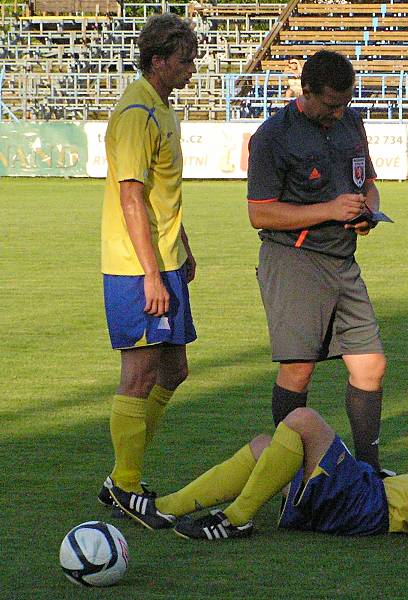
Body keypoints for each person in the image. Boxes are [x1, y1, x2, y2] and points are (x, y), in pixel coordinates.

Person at [107, 407, 408, 541]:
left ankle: (234, 519)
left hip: (371, 507)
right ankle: (166, 508)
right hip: (369, 493)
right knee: (266, 448)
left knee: (303, 421)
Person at [245, 50, 388, 473]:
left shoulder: (350, 122)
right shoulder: (272, 136)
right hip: (294, 259)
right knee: (299, 370)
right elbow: (260, 213)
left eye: (345, 102)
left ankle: (368, 469)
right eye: (330, 104)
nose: (338, 111)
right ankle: (291, 472)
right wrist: (330, 210)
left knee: (371, 365)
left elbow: (370, 184)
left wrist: (367, 213)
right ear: (304, 92)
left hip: (343, 259)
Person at [100, 13, 198, 510]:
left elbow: (162, 195)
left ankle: (121, 475)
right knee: (139, 373)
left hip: (164, 259)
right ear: (157, 60)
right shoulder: (138, 112)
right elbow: (132, 197)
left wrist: (183, 246)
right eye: (184, 61)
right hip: (137, 267)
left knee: (173, 368)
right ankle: (126, 484)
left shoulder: (161, 107)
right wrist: (153, 274)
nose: (191, 71)